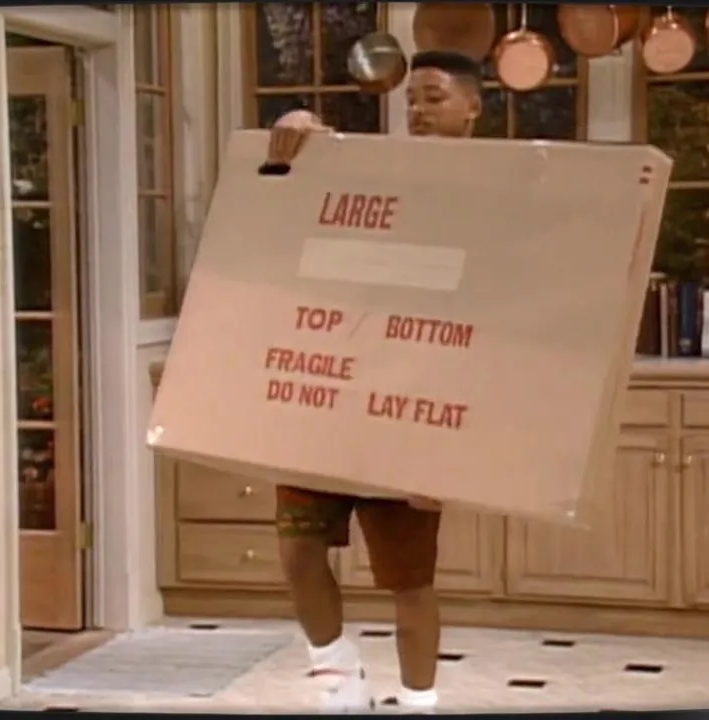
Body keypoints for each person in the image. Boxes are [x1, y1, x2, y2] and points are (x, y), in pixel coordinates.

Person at [259, 49, 485, 714]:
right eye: (411, 98)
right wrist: (300, 133)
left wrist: (448, 446)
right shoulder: (373, 170)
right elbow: (290, 197)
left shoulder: (498, 193)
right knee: (297, 549)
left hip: (415, 410)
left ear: (472, 107)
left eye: (434, 97)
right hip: (329, 394)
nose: (418, 110)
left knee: (408, 580)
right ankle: (338, 675)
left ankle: (419, 702)